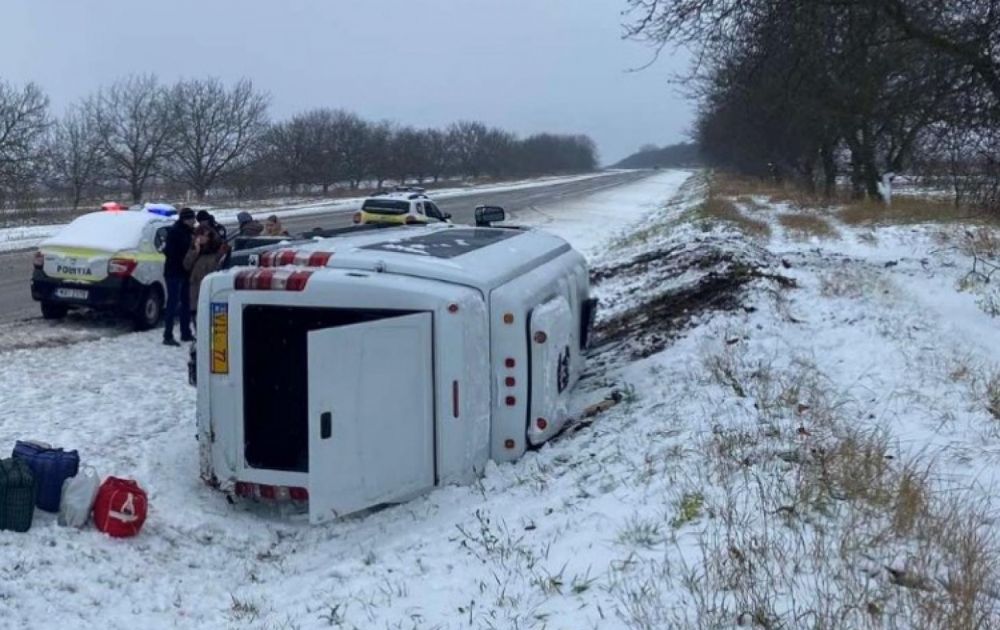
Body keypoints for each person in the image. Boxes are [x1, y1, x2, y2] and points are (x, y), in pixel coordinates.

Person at [162, 207, 196, 346]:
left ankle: (185, 333)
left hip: (183, 272)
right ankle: (168, 335)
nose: (194, 221)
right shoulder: (176, 232)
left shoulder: (187, 231)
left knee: (185, 303)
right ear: (185, 219)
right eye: (192, 218)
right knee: (173, 303)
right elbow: (173, 252)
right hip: (174, 272)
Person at [183, 224, 224, 326]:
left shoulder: (218, 250)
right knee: (196, 316)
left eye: (203, 236)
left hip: (211, 287)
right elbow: (186, 265)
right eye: (198, 236)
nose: (200, 238)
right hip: (195, 287)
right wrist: (195, 251)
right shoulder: (194, 249)